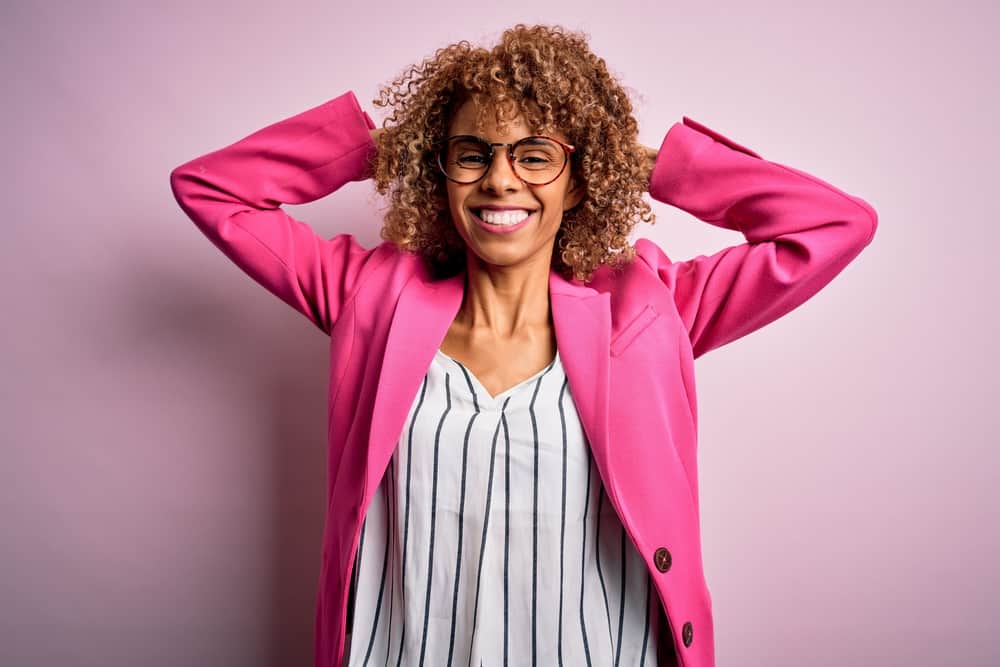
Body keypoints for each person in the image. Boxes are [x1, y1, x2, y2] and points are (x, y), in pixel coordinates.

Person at [169, 23, 877, 667]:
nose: (501, 178)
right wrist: (384, 148)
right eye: (472, 154)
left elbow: (834, 226)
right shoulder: (372, 300)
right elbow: (209, 189)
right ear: (441, 172)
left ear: (578, 181)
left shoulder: (648, 312)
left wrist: (646, 164)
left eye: (535, 155)